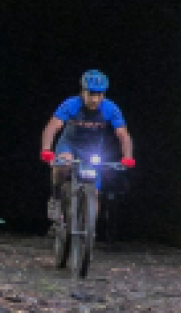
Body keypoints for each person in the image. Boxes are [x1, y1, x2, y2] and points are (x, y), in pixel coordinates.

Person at [39, 69, 136, 220]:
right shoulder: (71, 104)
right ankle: (56, 198)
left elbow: (123, 135)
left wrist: (128, 156)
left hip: (92, 150)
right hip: (69, 145)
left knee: (95, 193)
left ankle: (88, 230)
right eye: (91, 93)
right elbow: (52, 127)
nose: (95, 99)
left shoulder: (111, 108)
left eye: (99, 94)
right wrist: (46, 149)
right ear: (82, 92)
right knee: (63, 164)